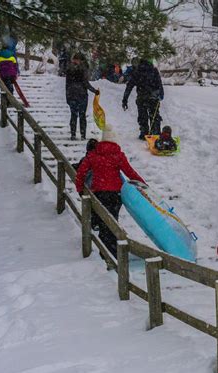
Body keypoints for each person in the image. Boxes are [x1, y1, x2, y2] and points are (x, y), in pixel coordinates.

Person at [75, 125, 145, 259]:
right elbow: (130, 172)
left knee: (103, 223)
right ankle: (112, 253)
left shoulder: (93, 155)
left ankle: (106, 254)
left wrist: (79, 189)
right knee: (112, 222)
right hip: (115, 195)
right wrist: (143, 184)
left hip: (99, 194)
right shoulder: (118, 155)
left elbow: (81, 173)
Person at [122, 58, 164, 139]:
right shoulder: (154, 70)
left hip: (142, 96)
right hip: (153, 97)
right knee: (154, 115)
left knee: (142, 116)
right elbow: (159, 83)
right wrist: (161, 94)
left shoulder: (137, 72)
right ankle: (155, 133)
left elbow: (129, 86)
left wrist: (125, 100)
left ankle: (144, 133)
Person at [65, 52, 99, 140]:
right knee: (82, 115)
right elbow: (85, 83)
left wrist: (67, 96)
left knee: (74, 115)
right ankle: (83, 135)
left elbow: (67, 84)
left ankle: (73, 134)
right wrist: (94, 91)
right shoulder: (83, 69)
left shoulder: (69, 68)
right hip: (81, 95)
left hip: (72, 94)